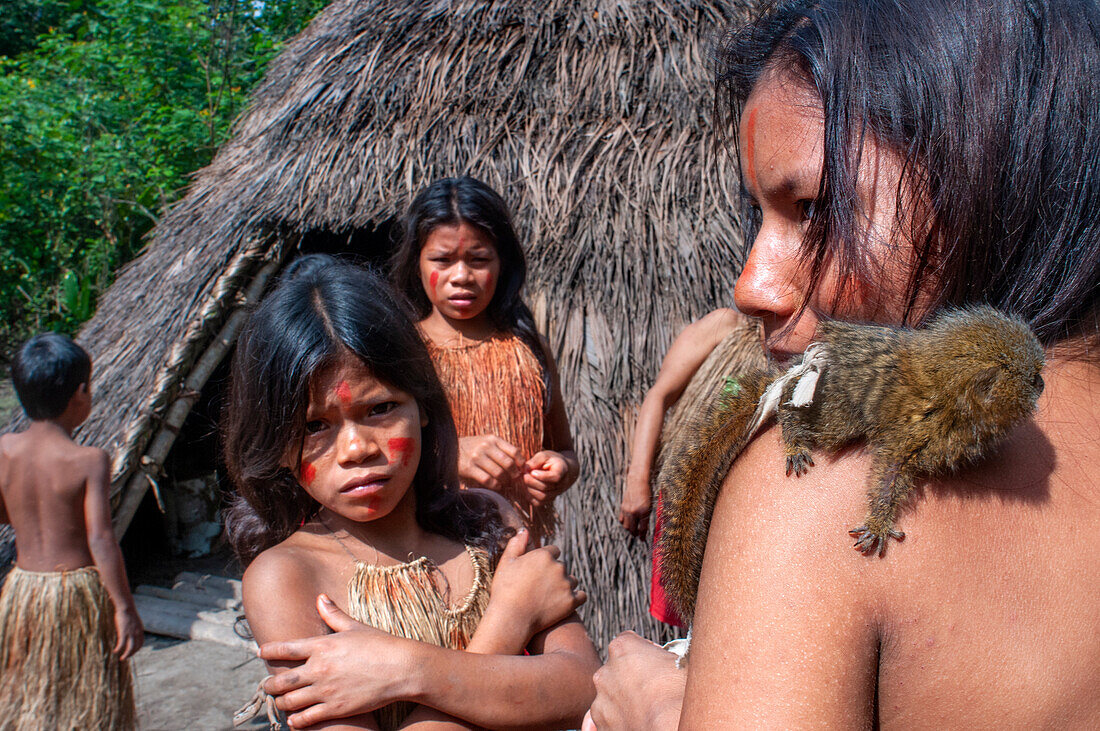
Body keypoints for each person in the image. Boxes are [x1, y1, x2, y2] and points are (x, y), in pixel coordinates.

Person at [586, 0, 1100, 727]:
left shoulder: (821, 494)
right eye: (757, 214)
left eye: (818, 210)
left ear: (985, 172)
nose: (752, 284)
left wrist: (662, 714)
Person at [225, 256, 599, 730]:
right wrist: (507, 619)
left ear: (423, 405)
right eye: (314, 426)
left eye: (381, 408)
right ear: (276, 446)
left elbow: (584, 684)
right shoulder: (288, 578)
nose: (357, 448)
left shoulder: (490, 521)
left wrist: (400, 670)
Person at [390, 177, 579, 543]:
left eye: (478, 259)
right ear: (416, 262)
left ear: (502, 264)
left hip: (515, 551)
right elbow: (377, 457)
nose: (461, 276)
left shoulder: (528, 350)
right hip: (430, 552)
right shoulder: (401, 352)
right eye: (442, 260)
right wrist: (449, 455)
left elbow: (565, 451)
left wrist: (560, 470)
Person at [0, 333, 143, 729]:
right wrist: (125, 608)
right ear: (81, 392)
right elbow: (100, 539)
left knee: (33, 698)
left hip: (23, 591)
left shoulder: (4, 449)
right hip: (75, 594)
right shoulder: (88, 460)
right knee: (87, 705)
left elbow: (5, 513)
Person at [618, 308, 764, 627]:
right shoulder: (727, 326)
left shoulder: (816, 345)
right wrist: (638, 480)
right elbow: (659, 395)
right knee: (689, 619)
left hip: (753, 508)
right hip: (688, 498)